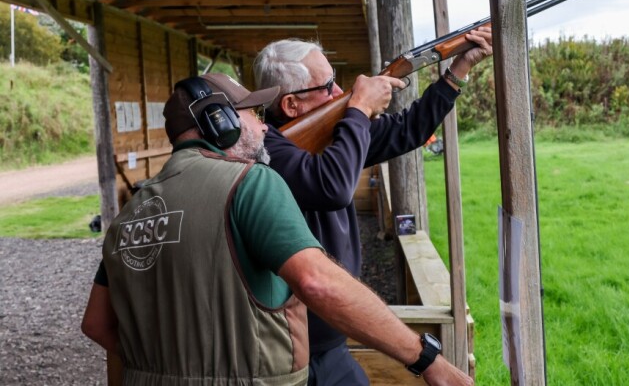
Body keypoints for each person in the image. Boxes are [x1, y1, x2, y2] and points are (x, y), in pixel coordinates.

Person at [80, 72, 473, 386]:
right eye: (253, 114)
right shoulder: (251, 182)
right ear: (222, 123)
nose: (266, 127)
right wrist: (427, 360)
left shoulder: (130, 213)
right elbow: (320, 284)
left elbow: (96, 323)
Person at [253, 27, 493, 385]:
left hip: (333, 339)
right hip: (287, 352)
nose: (340, 92)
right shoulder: (267, 150)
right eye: (328, 86)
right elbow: (331, 186)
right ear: (291, 105)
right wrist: (360, 110)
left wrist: (458, 71)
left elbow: (409, 129)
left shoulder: (335, 133)